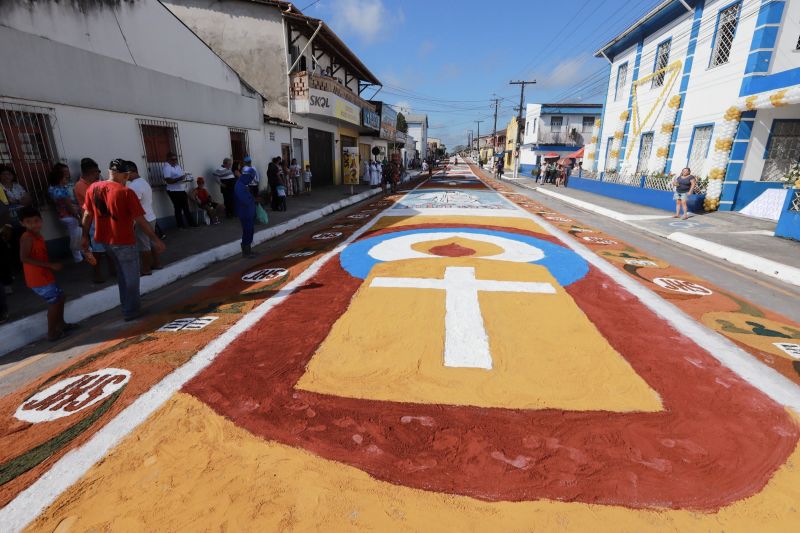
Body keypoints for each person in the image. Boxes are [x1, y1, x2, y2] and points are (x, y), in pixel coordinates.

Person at [82, 159, 165, 321]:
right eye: (126, 175)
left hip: (105, 240)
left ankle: (127, 306)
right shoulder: (126, 192)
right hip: (123, 240)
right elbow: (141, 219)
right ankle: (131, 310)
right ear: (124, 174)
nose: (127, 178)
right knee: (131, 277)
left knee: (122, 275)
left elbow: (87, 214)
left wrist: (85, 235)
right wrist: (155, 239)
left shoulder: (93, 188)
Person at [18, 206, 78, 341]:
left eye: (36, 220)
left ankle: (61, 325)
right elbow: (24, 258)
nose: (33, 224)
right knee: (55, 301)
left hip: (44, 275)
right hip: (38, 278)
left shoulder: (37, 235)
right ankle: (51, 333)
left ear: (41, 220)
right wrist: (50, 265)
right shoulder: (27, 237)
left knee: (60, 297)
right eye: (29, 222)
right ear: (22, 223)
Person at [74, 158, 113, 283]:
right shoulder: (80, 186)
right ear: (90, 172)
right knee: (97, 250)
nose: (98, 174)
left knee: (109, 247)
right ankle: (97, 274)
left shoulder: (95, 182)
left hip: (102, 218)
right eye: (97, 171)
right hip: (92, 221)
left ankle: (112, 270)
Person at [126, 161, 161, 276]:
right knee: (152, 242)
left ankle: (146, 269)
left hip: (142, 219)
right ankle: (156, 263)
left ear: (130, 172)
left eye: (125, 173)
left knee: (144, 245)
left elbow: (134, 205)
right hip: (150, 216)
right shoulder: (143, 182)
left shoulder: (133, 186)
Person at [47, 163, 84, 263]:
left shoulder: (52, 188)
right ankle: (78, 257)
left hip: (64, 215)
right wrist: (78, 217)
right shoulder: (61, 190)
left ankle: (80, 255)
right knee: (76, 237)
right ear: (60, 178)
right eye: (64, 177)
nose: (66, 179)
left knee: (76, 235)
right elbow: (69, 206)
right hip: (70, 216)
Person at [163, 152, 195, 229]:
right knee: (178, 208)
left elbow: (182, 176)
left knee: (186, 207)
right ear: (168, 159)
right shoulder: (166, 168)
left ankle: (191, 223)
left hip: (181, 189)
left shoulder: (177, 166)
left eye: (175, 159)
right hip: (173, 191)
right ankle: (180, 225)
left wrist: (187, 178)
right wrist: (179, 179)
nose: (174, 161)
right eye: (172, 159)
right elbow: (168, 181)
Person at [235, 166, 257, 258]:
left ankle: (248, 250)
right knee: (247, 230)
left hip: (248, 212)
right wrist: (253, 200)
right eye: (251, 178)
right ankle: (246, 252)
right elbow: (244, 200)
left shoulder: (243, 185)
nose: (251, 180)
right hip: (244, 212)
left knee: (250, 230)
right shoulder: (239, 185)